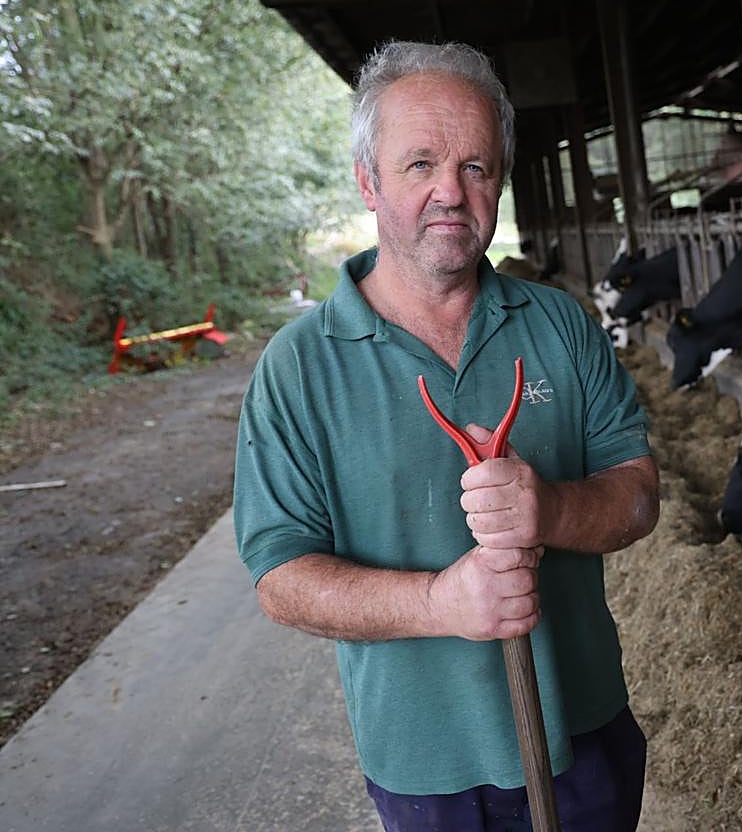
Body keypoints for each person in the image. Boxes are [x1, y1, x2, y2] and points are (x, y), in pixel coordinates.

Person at [232, 40, 660, 831]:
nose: (450, 194)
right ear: (367, 180)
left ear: (499, 178)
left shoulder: (561, 325)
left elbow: (638, 497)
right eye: (419, 164)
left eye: (475, 167)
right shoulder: (298, 367)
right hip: (426, 768)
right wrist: (440, 601)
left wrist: (552, 512)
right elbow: (280, 579)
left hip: (586, 733)